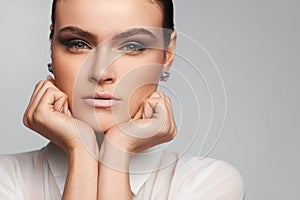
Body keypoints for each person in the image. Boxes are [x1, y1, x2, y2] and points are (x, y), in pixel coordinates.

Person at [0, 0, 245, 199]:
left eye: (132, 46)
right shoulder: (6, 179)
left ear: (167, 54)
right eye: (78, 44)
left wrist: (116, 153)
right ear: (52, 44)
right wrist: (81, 150)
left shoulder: (208, 184)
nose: (101, 73)